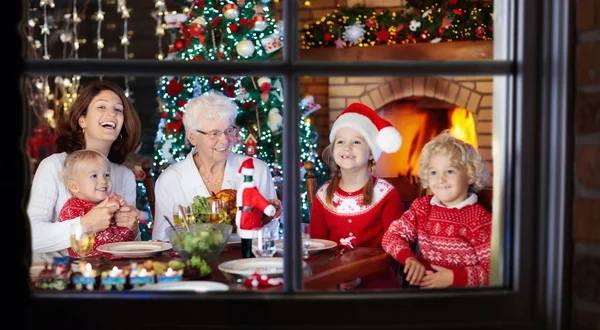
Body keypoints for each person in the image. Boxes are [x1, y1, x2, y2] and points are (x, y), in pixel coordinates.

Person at [27, 80, 142, 262]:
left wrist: (133, 230)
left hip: (111, 276)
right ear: (82, 120)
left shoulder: (124, 176)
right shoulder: (54, 166)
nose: (111, 113)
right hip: (60, 278)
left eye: (118, 110)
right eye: (101, 107)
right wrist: (85, 224)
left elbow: (129, 246)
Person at [152, 90, 280, 242]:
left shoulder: (257, 169)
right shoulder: (170, 179)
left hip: (245, 260)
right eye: (214, 133)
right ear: (192, 137)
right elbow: (162, 239)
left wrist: (270, 216)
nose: (225, 141)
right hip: (193, 261)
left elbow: (271, 234)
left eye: (229, 131)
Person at [309, 103, 404, 290]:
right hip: (334, 285)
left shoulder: (386, 195)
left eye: (357, 142)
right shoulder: (323, 196)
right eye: (341, 141)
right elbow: (317, 249)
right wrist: (337, 277)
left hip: (377, 285)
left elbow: (394, 248)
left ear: (371, 154)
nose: (347, 147)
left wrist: (358, 277)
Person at [381, 130, 492, 288]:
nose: (440, 179)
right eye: (433, 172)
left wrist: (454, 278)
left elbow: (493, 272)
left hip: (466, 299)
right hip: (425, 293)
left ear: (470, 175)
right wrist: (409, 258)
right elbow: (391, 236)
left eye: (449, 171)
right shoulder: (422, 208)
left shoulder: (480, 219)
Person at [58, 149, 136, 257]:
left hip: (117, 261)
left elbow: (127, 239)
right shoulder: (72, 208)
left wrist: (122, 212)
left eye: (107, 175)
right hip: (88, 264)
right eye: (94, 176)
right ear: (74, 186)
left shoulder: (112, 203)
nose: (103, 181)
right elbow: (73, 243)